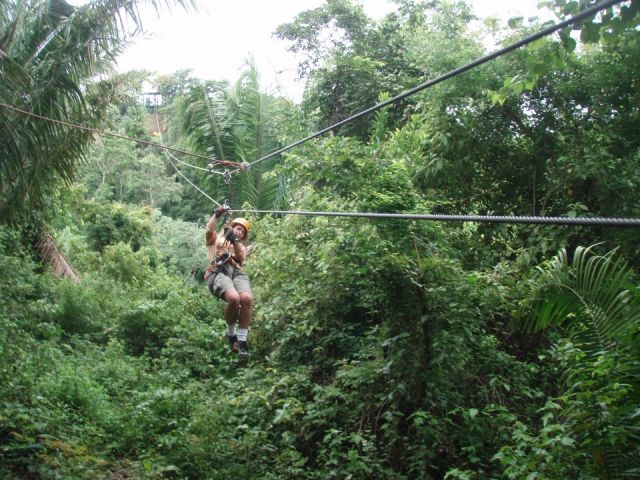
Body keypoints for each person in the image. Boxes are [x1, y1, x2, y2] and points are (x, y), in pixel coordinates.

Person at [204, 206, 253, 358]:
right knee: (234, 298)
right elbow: (208, 230)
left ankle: (242, 340)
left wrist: (234, 241)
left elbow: (239, 257)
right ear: (232, 227)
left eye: (242, 232)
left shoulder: (241, 247)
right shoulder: (216, 240)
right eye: (238, 228)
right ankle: (231, 335)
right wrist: (216, 215)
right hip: (218, 271)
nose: (239, 232)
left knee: (247, 298)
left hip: (236, 273)